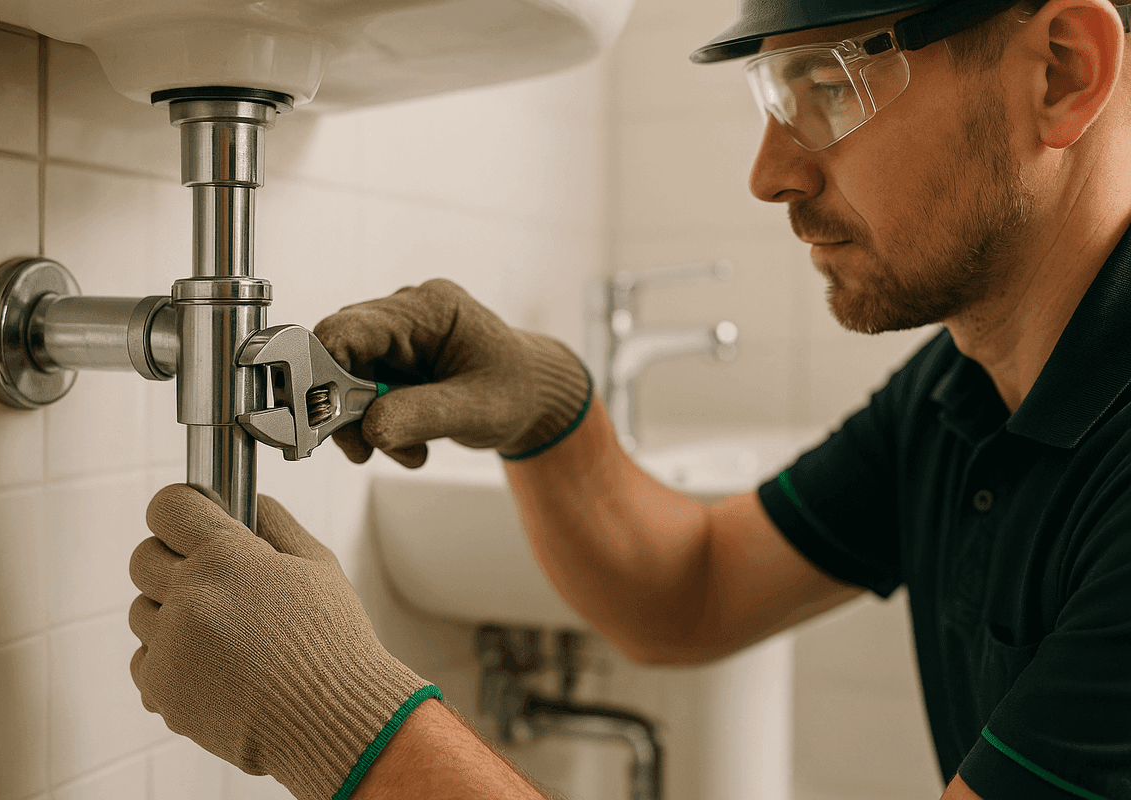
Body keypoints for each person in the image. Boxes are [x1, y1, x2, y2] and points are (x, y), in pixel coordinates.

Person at [127, 0, 1131, 798]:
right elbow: (695, 589)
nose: (769, 174)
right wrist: (552, 415)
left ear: (1062, 71)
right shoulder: (966, 384)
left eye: (829, 85)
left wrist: (338, 719)